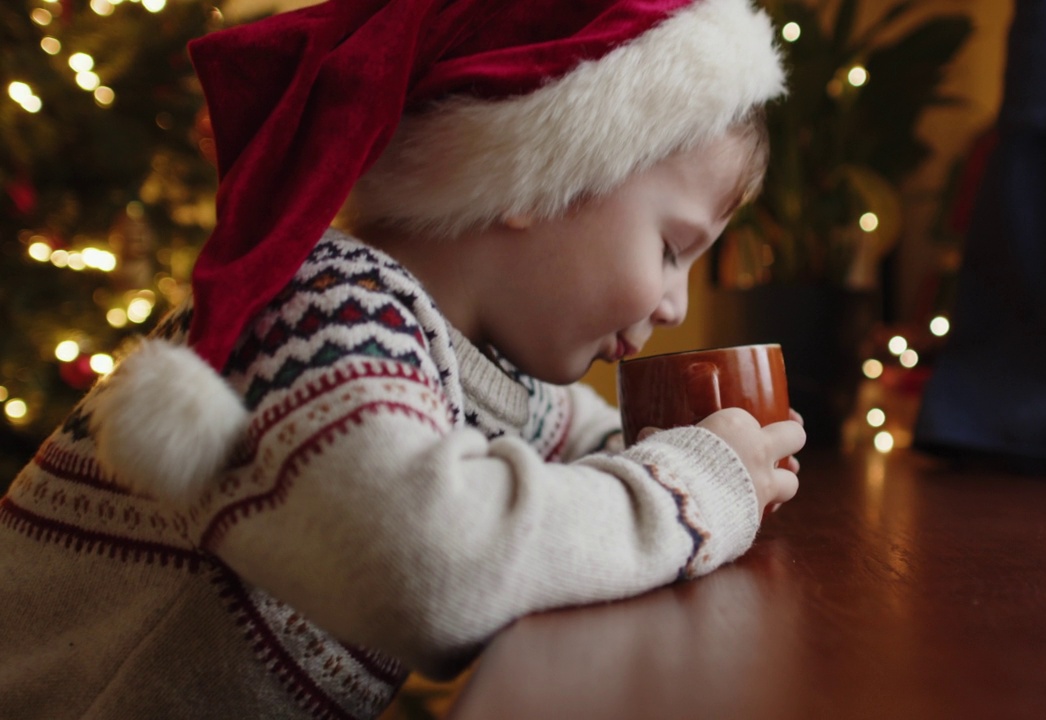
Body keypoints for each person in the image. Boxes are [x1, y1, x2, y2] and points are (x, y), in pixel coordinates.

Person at [0, 0, 804, 717]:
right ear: (540, 174)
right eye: (670, 249)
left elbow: (586, 437)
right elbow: (429, 571)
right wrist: (695, 489)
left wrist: (716, 452)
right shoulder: (320, 310)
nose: (674, 303)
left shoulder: (478, 362)